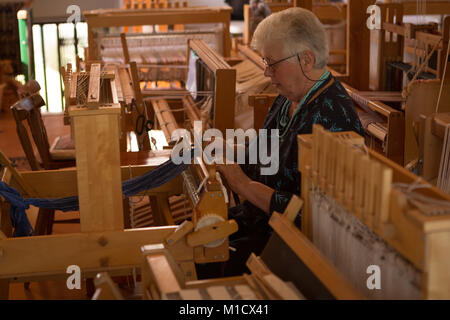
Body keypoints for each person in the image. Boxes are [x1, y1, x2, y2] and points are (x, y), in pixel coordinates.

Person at [196, 7, 364, 279]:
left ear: (306, 59)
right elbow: (266, 151)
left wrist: (243, 185)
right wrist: (222, 149)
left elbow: (312, 218)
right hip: (260, 223)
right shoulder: (289, 98)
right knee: (189, 236)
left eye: (272, 63)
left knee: (200, 259)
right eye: (265, 61)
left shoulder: (334, 120)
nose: (265, 72)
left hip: (292, 248)